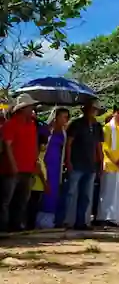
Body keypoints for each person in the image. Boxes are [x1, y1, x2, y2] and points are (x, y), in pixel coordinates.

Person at [63, 100, 104, 230]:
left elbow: (98, 146)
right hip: (76, 163)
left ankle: (81, 222)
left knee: (86, 196)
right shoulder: (76, 124)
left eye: (95, 109)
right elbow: (68, 144)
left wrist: (101, 163)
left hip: (91, 165)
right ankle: (67, 221)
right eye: (91, 108)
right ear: (85, 109)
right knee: (71, 193)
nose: (93, 111)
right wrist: (68, 161)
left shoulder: (98, 126)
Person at [0, 94, 39, 232]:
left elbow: (34, 146)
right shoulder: (10, 124)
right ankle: (3, 227)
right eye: (30, 106)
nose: (32, 109)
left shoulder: (33, 125)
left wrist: (35, 163)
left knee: (22, 200)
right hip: (11, 169)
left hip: (27, 168)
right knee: (6, 200)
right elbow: (7, 146)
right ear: (22, 108)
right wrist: (13, 165)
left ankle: (15, 225)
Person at [97, 104, 119, 227]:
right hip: (110, 164)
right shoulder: (107, 128)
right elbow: (104, 147)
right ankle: (105, 217)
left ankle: (118, 218)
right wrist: (116, 161)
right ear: (114, 113)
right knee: (108, 191)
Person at [36, 108, 69, 229]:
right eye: (63, 117)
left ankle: (51, 220)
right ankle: (41, 221)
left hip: (57, 166)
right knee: (45, 190)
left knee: (54, 192)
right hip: (45, 165)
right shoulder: (47, 131)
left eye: (67, 117)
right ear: (56, 117)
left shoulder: (64, 133)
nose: (65, 120)